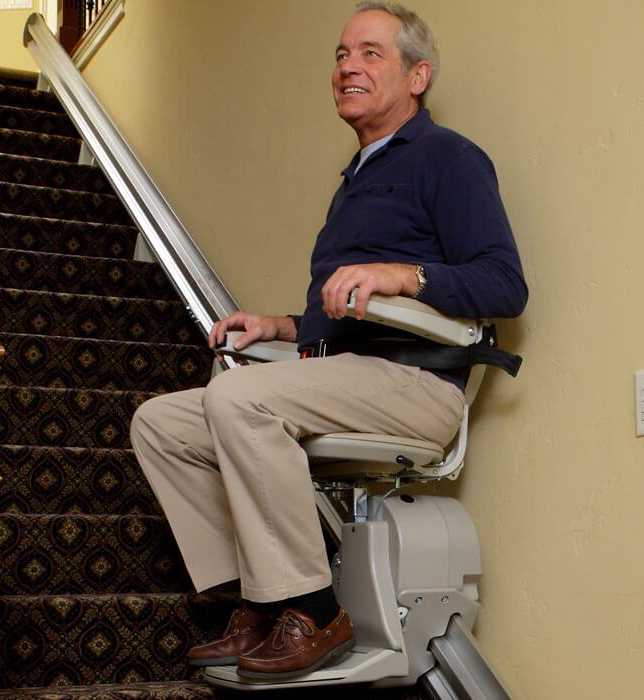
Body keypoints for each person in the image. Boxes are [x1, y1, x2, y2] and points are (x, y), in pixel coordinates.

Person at [130, 1, 527, 680]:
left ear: (417, 75)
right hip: (346, 378)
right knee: (161, 422)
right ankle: (259, 604)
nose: (348, 66)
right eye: (342, 54)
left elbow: (503, 284)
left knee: (238, 398)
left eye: (371, 53)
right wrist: (282, 326)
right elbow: (344, 310)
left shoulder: (448, 159)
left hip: (416, 387)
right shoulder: (356, 179)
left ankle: (312, 610)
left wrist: (404, 275)